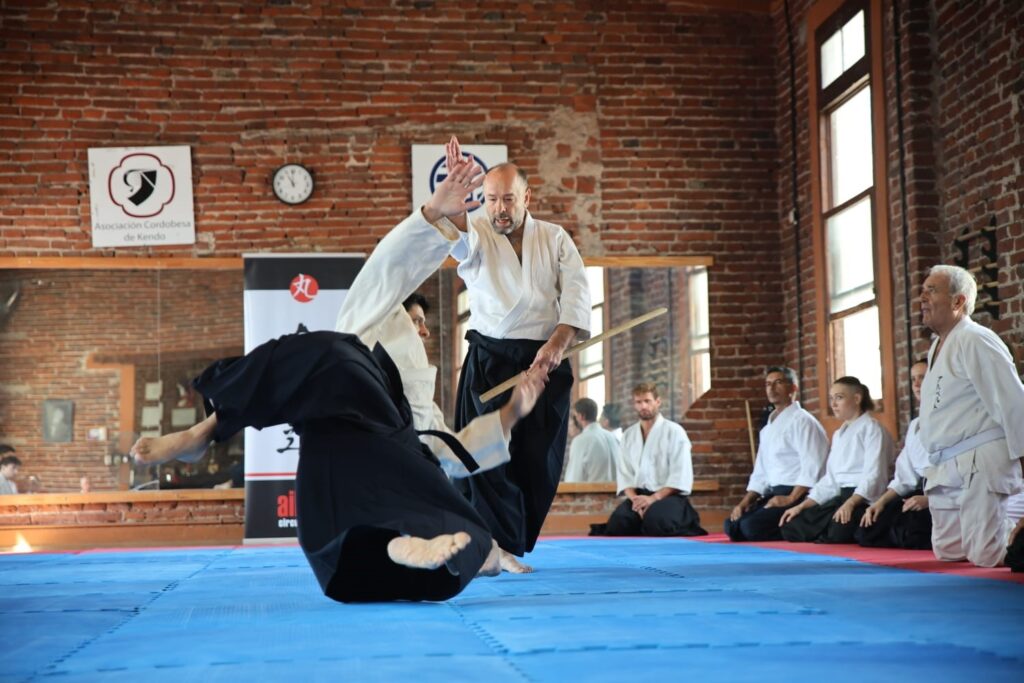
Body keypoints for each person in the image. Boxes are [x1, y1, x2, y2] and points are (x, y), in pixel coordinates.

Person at [131, 157, 549, 603]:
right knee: (329, 358)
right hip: (346, 399)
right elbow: (389, 269)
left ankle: (429, 548)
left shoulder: (417, 394)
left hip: (388, 439)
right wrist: (433, 212)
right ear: (397, 313)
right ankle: (206, 431)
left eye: (425, 325)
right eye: (417, 320)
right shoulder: (371, 319)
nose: (423, 331)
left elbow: (450, 448)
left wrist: (512, 413)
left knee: (454, 515)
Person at [438, 136, 591, 572]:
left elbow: (577, 295)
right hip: (490, 360)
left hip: (546, 360)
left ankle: (507, 540)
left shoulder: (555, 238)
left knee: (538, 459)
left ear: (527, 197)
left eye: (507, 199)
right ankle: (492, 546)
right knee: (485, 453)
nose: (499, 209)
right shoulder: (478, 233)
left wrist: (556, 346)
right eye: (490, 200)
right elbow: (459, 238)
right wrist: (455, 202)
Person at [917, 264, 1024, 567]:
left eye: (931, 290)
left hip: (979, 459)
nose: (922, 297)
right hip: (946, 462)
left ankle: (1016, 536)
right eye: (923, 290)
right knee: (949, 551)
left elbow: (1013, 403)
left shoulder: (975, 339)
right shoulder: (937, 346)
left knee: (986, 555)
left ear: (958, 301)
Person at [779, 376, 894, 543]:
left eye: (839, 398)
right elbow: (830, 479)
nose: (833, 404)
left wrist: (851, 502)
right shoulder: (839, 434)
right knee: (791, 524)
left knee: (838, 529)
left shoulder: (872, 429)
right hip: (840, 496)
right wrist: (802, 505)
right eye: (831, 398)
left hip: (862, 498)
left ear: (857, 398)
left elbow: (874, 474)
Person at [724, 367, 828, 542]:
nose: (771, 388)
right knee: (732, 526)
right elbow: (761, 472)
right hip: (774, 493)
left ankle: (801, 526)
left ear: (793, 388)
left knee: (750, 528)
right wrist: (744, 503)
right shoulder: (768, 429)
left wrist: (790, 498)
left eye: (778, 383)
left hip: (799, 494)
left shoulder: (804, 421)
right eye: (768, 384)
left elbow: (813, 466)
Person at [604, 383, 706, 536]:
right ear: (634, 405)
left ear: (658, 402)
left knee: (657, 521)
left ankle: (682, 519)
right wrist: (636, 501)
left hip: (667, 495)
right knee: (618, 524)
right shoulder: (629, 435)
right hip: (639, 495)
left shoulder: (674, 432)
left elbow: (680, 474)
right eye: (639, 402)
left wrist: (653, 499)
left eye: (647, 401)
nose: (643, 406)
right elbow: (625, 475)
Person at [856, 360, 933, 549]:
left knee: (911, 533)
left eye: (922, 378)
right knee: (867, 530)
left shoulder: (952, 419)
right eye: (913, 379)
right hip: (917, 491)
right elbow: (904, 477)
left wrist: (931, 500)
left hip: (942, 493)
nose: (916, 384)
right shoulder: (915, 425)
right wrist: (880, 502)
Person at [564, 397, 619, 482]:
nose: (574, 420)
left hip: (592, 489)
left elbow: (574, 478)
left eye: (575, 416)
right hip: (615, 489)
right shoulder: (613, 437)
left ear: (581, 416)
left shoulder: (580, 441)